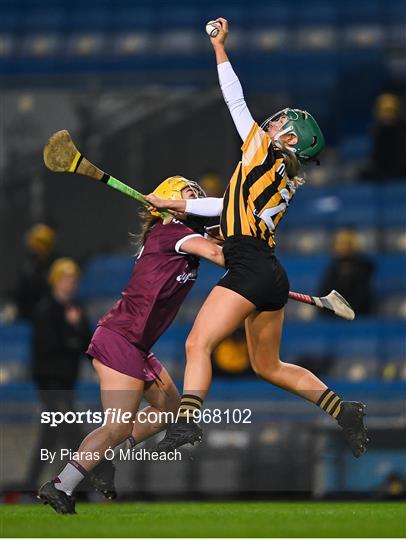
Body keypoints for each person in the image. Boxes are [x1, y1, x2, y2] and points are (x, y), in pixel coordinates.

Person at [145, 18, 369, 460]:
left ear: (288, 139)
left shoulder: (262, 150)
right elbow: (225, 206)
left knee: (197, 344)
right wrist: (181, 207)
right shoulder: (279, 176)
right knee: (268, 365)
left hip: (247, 267)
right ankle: (345, 410)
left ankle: (187, 421)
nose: (275, 122)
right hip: (269, 272)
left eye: (283, 123)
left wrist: (219, 47)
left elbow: (234, 99)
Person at [38, 177, 225, 514]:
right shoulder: (173, 233)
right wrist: (251, 268)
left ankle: (101, 460)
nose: (195, 199)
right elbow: (216, 253)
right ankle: (61, 485)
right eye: (189, 194)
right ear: (169, 201)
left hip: (137, 345)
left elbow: (214, 238)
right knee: (117, 426)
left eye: (198, 195)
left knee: (169, 408)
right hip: (120, 338)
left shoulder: (181, 235)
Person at [27, 258, 91, 489]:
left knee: (52, 435)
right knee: (72, 433)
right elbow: (49, 346)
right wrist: (72, 332)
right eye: (65, 279)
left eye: (73, 279)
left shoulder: (75, 309)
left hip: (67, 382)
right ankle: (82, 485)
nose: (69, 284)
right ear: (55, 281)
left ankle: (32, 484)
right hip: (51, 384)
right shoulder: (46, 309)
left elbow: (86, 343)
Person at [319, 229, 375, 315]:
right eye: (340, 245)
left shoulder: (364, 269)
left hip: (359, 315)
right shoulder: (332, 270)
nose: (344, 248)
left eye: (347, 245)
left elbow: (362, 297)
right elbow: (324, 296)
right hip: (334, 318)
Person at [14, 223, 56, 320]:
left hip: (50, 313)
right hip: (29, 313)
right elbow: (20, 296)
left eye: (44, 243)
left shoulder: (54, 264)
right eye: (37, 243)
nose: (39, 247)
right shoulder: (27, 268)